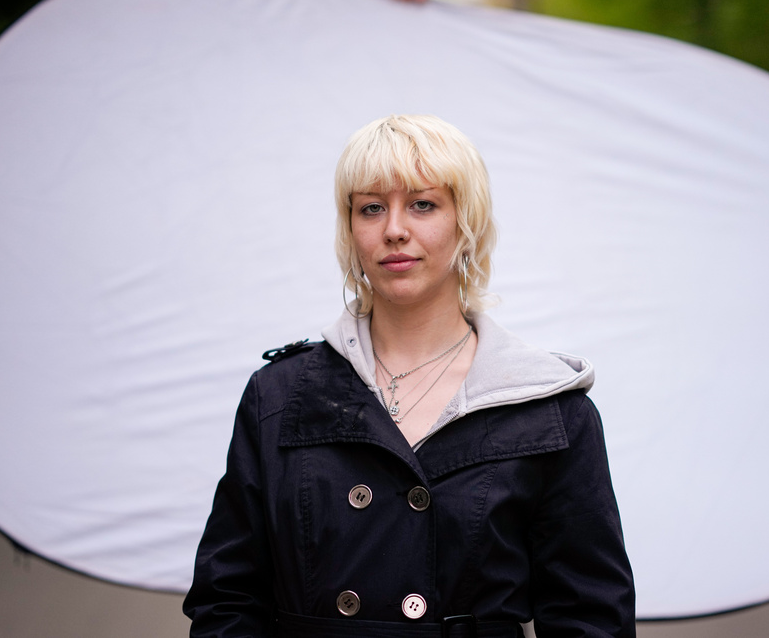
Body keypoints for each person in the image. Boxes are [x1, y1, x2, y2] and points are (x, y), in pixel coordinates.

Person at [183, 115, 635, 637]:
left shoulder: (549, 409)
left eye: (422, 204)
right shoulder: (281, 396)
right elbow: (227, 600)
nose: (394, 229)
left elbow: (590, 618)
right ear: (350, 230)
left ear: (466, 223)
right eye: (371, 208)